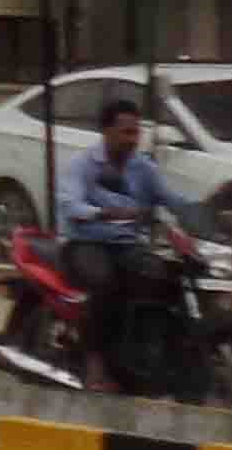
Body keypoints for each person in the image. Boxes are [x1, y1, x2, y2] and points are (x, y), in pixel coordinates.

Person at [55, 92, 183, 376]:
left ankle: (149, 349)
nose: (132, 139)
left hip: (126, 244)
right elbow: (70, 205)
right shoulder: (82, 165)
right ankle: (95, 360)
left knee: (163, 276)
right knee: (104, 282)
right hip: (84, 242)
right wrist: (104, 213)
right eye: (125, 132)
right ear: (106, 131)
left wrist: (210, 210)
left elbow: (171, 199)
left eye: (136, 132)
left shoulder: (143, 167)